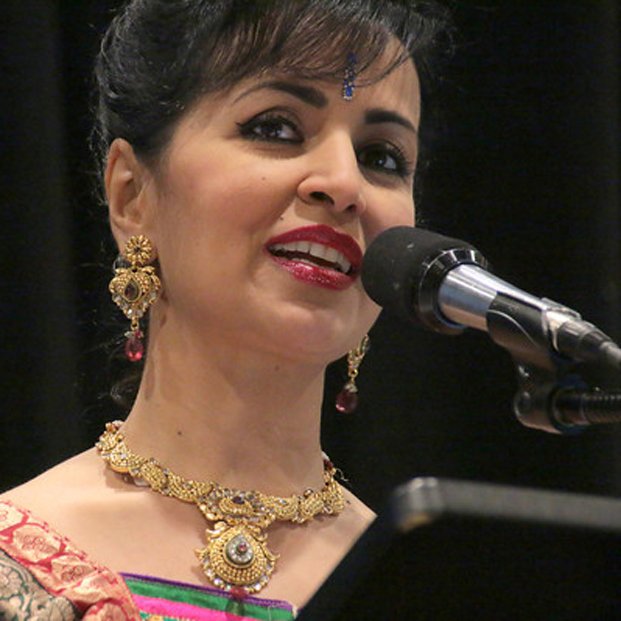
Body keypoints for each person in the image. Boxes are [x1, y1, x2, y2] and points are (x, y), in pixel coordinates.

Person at [0, 0, 447, 618]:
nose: (344, 183)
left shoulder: (430, 587)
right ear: (132, 196)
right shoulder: (20, 573)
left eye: (383, 157)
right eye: (276, 128)